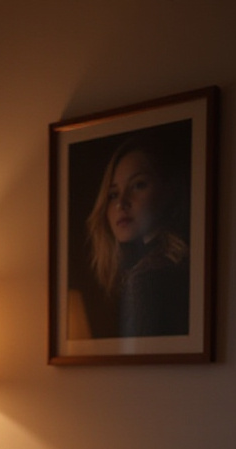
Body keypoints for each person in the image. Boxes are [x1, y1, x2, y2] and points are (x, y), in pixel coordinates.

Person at [81, 133, 190, 338]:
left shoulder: (147, 277)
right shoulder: (172, 265)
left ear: (169, 190)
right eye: (113, 194)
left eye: (138, 185)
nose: (122, 202)